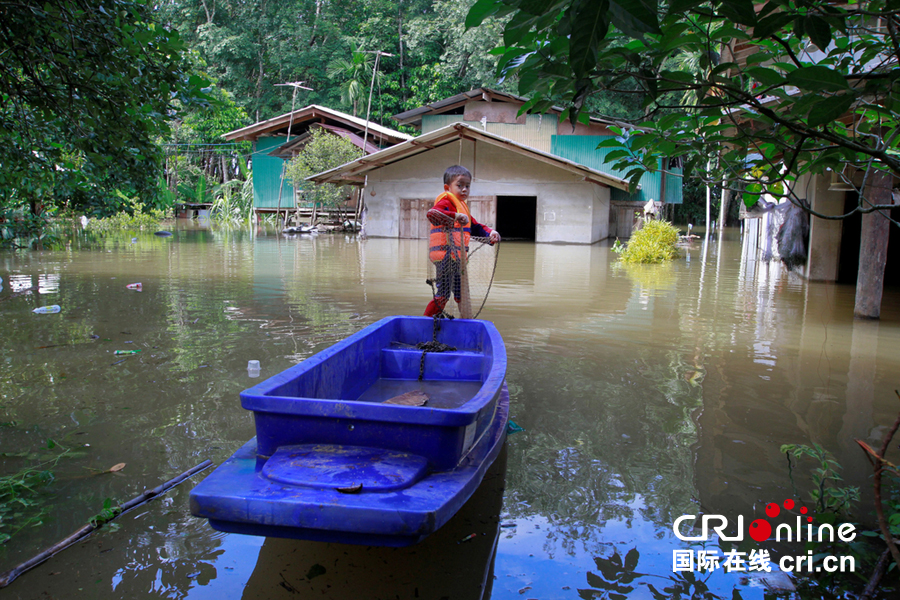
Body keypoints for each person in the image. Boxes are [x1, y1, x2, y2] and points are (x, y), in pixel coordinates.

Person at [424, 165, 500, 317]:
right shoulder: (446, 201)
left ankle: (465, 319)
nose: (464, 189)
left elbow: (475, 227)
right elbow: (433, 213)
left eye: (467, 186)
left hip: (456, 258)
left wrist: (491, 233)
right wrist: (455, 216)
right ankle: (427, 320)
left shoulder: (462, 207)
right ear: (448, 188)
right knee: (443, 293)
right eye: (460, 185)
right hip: (445, 257)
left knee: (461, 293)